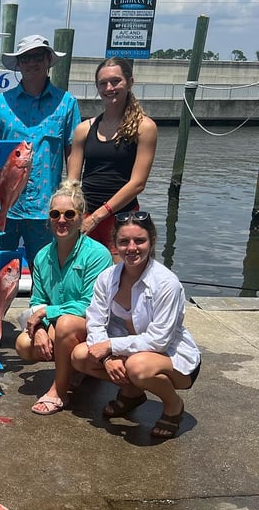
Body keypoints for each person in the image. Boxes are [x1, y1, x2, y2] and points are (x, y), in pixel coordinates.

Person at [71, 211, 201, 440]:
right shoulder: (107, 277)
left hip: (171, 359)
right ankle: (132, 393)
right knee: (81, 355)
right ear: (115, 244)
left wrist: (110, 346)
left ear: (151, 242)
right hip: (129, 352)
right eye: (124, 242)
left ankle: (173, 405)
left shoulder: (167, 283)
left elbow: (158, 341)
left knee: (137, 366)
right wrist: (105, 357)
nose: (132, 248)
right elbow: (95, 321)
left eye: (139, 240)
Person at [15, 180, 112, 415]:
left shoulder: (98, 254)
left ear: (81, 218)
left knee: (67, 323)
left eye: (69, 214)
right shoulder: (41, 257)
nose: (61, 220)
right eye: (55, 214)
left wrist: (48, 313)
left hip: (94, 326)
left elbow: (90, 306)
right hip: (58, 325)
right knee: (24, 344)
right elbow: (37, 300)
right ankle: (75, 369)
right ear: (48, 218)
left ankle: (59, 389)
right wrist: (38, 329)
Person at [0, 34, 81, 269]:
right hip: (6, 208)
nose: (32, 62)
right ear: (18, 64)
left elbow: (73, 150)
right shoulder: (0, 104)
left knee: (48, 270)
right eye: (26, 57)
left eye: (38, 56)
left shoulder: (67, 102)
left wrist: (71, 190)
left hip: (48, 210)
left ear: (48, 60)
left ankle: (45, 307)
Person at [67, 57, 158, 255]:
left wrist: (99, 216)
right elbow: (72, 182)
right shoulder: (84, 129)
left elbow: (138, 184)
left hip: (122, 219)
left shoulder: (145, 128)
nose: (109, 87)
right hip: (86, 217)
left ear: (130, 82)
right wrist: (73, 214)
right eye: (103, 83)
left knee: (122, 282)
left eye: (116, 81)